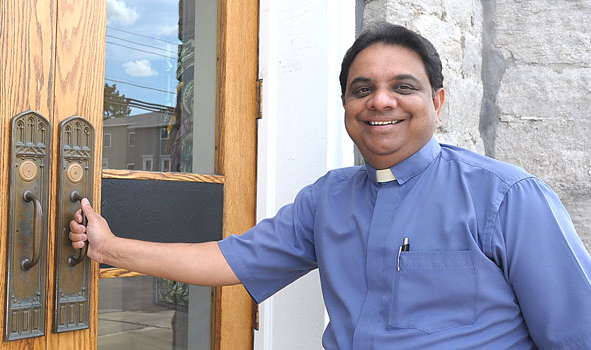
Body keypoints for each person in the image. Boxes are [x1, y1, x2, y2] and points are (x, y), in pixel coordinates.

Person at [70, 23, 591, 349]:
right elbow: (228, 261)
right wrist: (110, 246)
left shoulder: (507, 197)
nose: (380, 101)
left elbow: (574, 334)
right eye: (362, 89)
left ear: (437, 101)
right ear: (346, 106)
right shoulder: (328, 200)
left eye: (403, 87)